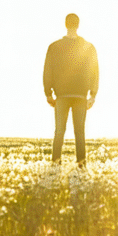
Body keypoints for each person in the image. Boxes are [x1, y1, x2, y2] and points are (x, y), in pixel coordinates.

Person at [43, 13, 99, 167]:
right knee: (80, 132)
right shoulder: (89, 47)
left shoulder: (54, 47)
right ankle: (81, 162)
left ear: (65, 24)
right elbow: (95, 71)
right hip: (81, 95)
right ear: (78, 25)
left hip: (62, 95)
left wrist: (48, 93)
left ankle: (55, 161)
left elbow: (48, 70)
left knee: (59, 130)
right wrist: (93, 95)